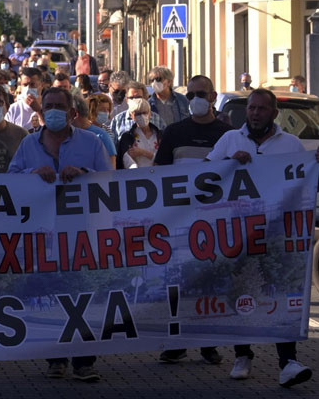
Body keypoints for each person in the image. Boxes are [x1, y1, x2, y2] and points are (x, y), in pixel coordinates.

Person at [206, 88, 316, 388]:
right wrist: (227, 162)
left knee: (282, 292)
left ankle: (288, 361)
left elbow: (304, 182)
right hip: (238, 232)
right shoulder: (230, 139)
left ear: (274, 113)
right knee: (241, 291)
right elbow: (203, 177)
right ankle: (243, 353)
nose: (254, 113)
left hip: (277, 234)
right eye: (251, 108)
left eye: (261, 109)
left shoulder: (291, 144)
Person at [7, 87, 110, 382]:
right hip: (42, 234)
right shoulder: (28, 144)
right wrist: (31, 174)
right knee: (51, 294)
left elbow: (109, 180)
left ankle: (84, 361)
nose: (52, 111)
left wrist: (84, 173)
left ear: (72, 113)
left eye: (58, 106)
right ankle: (55, 358)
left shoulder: (91, 142)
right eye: (47, 105)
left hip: (81, 232)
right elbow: (10, 181)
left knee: (82, 294)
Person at [153, 75, 231, 366]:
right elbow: (158, 175)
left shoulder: (228, 134)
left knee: (211, 283)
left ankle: (208, 342)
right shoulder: (174, 132)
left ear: (213, 97)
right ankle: (176, 342)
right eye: (192, 94)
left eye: (202, 93)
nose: (197, 98)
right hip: (178, 221)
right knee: (176, 284)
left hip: (215, 223)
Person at [72, 93, 117, 168]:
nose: (106, 112)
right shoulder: (73, 131)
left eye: (107, 109)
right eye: (102, 109)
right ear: (91, 110)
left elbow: (111, 161)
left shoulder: (103, 134)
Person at [116, 98, 160, 169]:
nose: (142, 116)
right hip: (138, 176)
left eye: (144, 112)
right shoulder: (127, 137)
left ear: (150, 114)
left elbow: (165, 158)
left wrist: (144, 153)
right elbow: (126, 162)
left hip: (160, 174)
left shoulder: (159, 135)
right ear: (132, 115)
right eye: (138, 114)